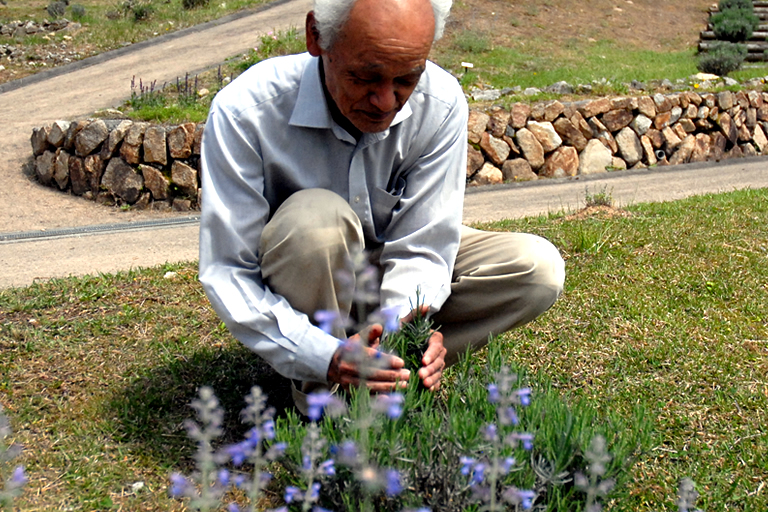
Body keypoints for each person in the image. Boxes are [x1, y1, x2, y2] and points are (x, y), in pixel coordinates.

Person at [198, 0, 565, 413]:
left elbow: (423, 245)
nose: (386, 101)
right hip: (306, 271)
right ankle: (320, 399)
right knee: (316, 221)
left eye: (408, 78)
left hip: (384, 274)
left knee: (536, 268)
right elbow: (229, 271)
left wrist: (408, 326)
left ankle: (393, 367)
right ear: (316, 37)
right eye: (366, 76)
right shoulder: (245, 111)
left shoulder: (440, 103)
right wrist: (324, 355)